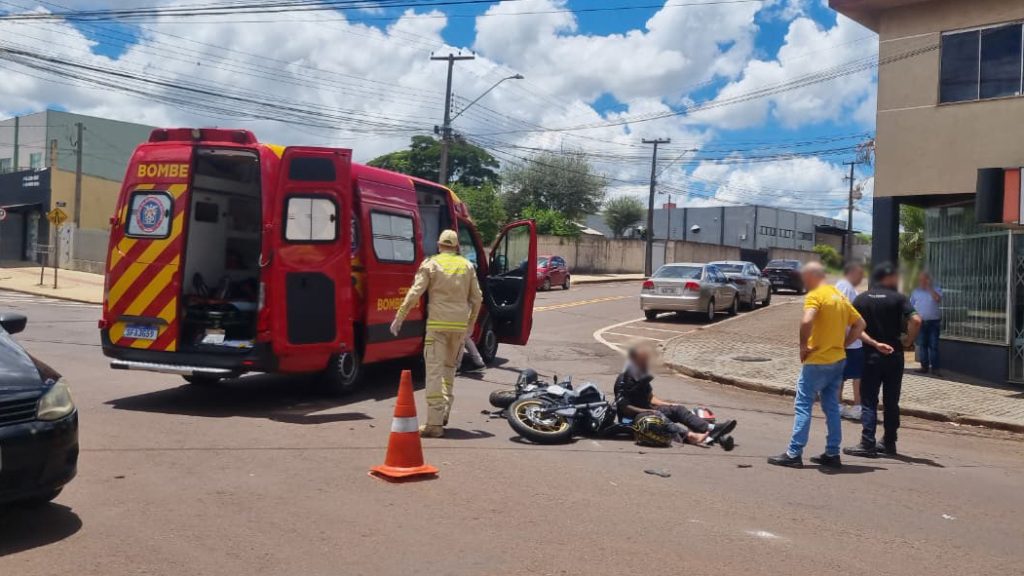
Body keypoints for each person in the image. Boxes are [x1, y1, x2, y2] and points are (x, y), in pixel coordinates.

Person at [768, 262, 892, 469]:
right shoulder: (839, 296)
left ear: (810, 277)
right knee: (832, 407)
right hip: (838, 360)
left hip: (817, 360)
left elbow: (807, 321)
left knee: (803, 405)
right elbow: (860, 324)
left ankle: (794, 453)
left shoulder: (816, 296)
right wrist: (845, 343)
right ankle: (832, 453)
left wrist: (802, 346)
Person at [390, 230, 483, 438]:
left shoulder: (431, 264)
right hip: (458, 328)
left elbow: (416, 292)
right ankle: (445, 412)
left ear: (439, 244)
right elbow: (477, 298)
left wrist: (400, 316)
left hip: (438, 326)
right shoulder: (467, 266)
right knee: (449, 371)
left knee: (434, 373)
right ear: (457, 246)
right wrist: (470, 324)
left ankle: (434, 424)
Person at [844, 263, 922, 458]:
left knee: (869, 400)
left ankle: (867, 442)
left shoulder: (861, 299)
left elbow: (854, 327)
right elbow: (916, 320)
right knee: (891, 401)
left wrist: (871, 342)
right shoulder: (899, 298)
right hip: (894, 355)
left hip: (870, 356)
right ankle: (889, 442)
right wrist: (908, 340)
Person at [615, 344, 737, 449]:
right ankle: (690, 436)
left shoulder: (642, 377)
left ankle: (710, 428)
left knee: (678, 409)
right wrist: (648, 410)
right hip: (632, 419)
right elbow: (624, 407)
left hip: (647, 411)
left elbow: (650, 398)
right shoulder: (623, 380)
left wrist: (670, 405)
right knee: (657, 415)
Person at [835, 262, 865, 421]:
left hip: (845, 339)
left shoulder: (840, 286)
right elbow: (847, 314)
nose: (861, 277)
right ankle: (857, 406)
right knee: (857, 376)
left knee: (840, 375)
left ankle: (838, 405)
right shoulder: (846, 288)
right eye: (859, 274)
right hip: (852, 341)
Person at [909, 270, 942, 376]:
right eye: (920, 280)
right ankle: (924, 367)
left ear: (928, 280)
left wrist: (929, 288)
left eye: (924, 280)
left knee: (933, 346)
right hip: (921, 323)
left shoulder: (936, 289)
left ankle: (935, 368)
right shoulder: (916, 291)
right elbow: (911, 307)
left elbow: (937, 299)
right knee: (922, 345)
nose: (921, 282)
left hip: (934, 322)